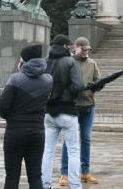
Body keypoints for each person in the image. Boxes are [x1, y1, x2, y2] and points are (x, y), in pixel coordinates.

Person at [0, 43, 52, 189]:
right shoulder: (48, 80)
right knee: (35, 176)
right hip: (37, 132)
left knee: (12, 176)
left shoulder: (15, 79)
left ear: (24, 60)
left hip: (15, 132)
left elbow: (2, 107)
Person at [42, 34, 84, 189]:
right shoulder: (70, 62)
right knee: (73, 150)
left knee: (48, 151)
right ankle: (75, 185)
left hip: (49, 111)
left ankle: (45, 184)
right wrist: (70, 93)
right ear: (66, 46)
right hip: (67, 110)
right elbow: (78, 85)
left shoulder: (46, 62)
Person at [60, 36, 101, 186]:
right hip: (72, 106)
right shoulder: (69, 62)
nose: (85, 52)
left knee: (86, 139)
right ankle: (64, 173)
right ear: (76, 47)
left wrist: (97, 85)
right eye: (83, 50)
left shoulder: (92, 63)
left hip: (89, 105)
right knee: (69, 140)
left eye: (87, 50)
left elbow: (98, 79)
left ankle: (85, 172)